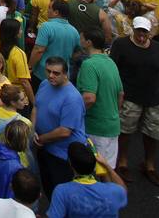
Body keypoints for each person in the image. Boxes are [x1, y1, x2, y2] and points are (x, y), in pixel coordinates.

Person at [109, 15, 159, 186]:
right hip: (130, 95)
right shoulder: (121, 45)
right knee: (125, 130)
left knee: (153, 132)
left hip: (153, 96)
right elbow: (114, 68)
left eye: (145, 33)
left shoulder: (158, 48)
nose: (142, 36)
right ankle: (123, 161)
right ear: (133, 30)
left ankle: (149, 164)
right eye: (139, 32)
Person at [33, 57, 87, 198]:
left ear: (65, 74)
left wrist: (41, 139)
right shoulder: (45, 84)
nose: (51, 76)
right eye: (48, 71)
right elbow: (36, 106)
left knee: (60, 192)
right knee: (48, 187)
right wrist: (32, 130)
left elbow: (65, 131)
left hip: (62, 155)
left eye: (56, 73)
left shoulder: (72, 98)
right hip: (44, 148)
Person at [74, 28, 123, 170]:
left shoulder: (89, 64)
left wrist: (75, 113)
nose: (80, 40)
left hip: (95, 128)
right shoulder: (111, 62)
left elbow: (89, 98)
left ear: (88, 42)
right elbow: (121, 94)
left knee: (93, 171)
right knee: (108, 171)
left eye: (81, 37)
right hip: (112, 126)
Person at [45, 142, 126, 218]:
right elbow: (123, 190)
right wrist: (107, 166)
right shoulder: (112, 191)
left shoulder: (62, 191)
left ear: (70, 163)